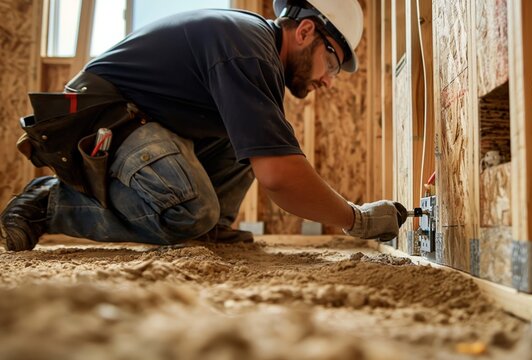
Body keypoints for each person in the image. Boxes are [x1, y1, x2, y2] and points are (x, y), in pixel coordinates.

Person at [0, 0, 406, 251]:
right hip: (102, 118)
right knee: (190, 213)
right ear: (305, 31)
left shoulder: (255, 51)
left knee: (260, 137)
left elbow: (274, 156)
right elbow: (279, 177)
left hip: (143, 120)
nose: (329, 80)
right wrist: (358, 219)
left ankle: (207, 229)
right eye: (332, 61)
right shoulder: (248, 51)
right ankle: (49, 204)